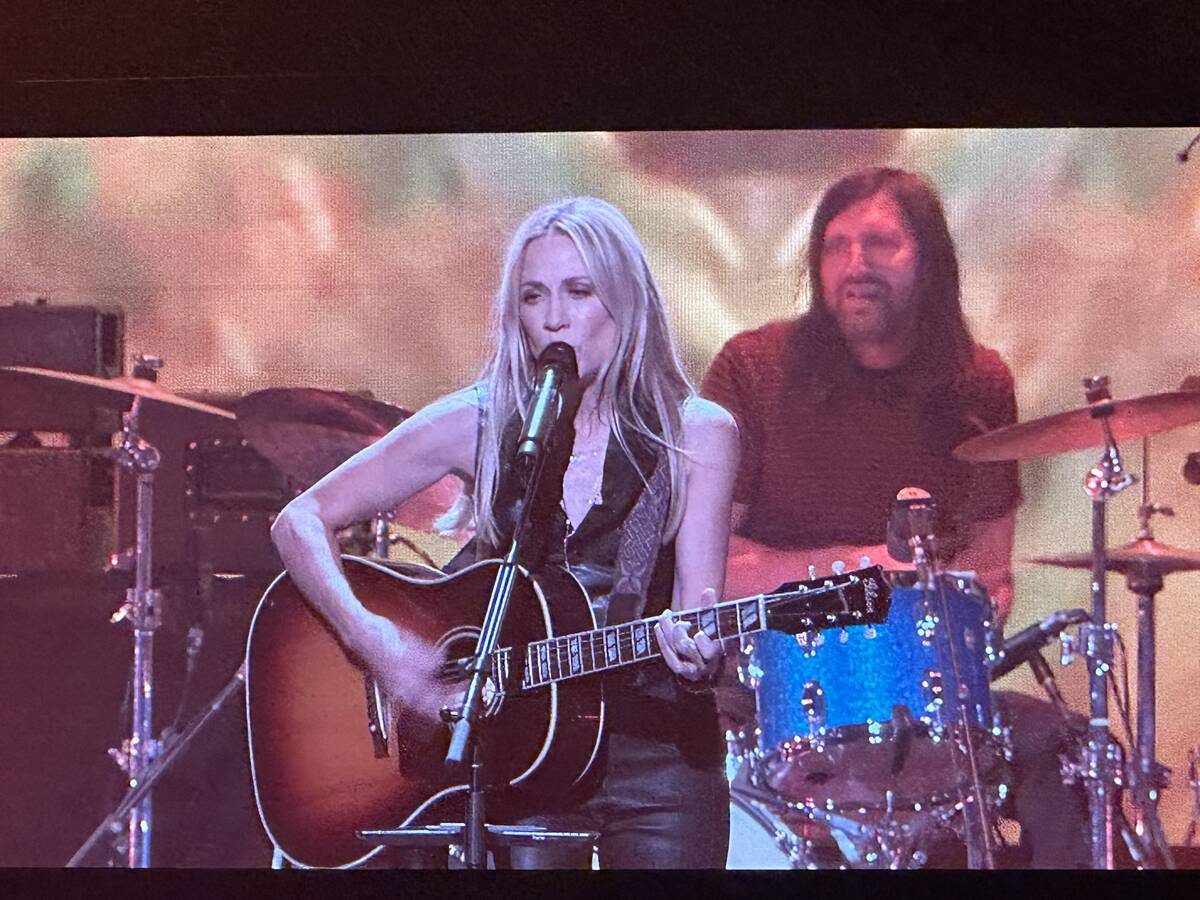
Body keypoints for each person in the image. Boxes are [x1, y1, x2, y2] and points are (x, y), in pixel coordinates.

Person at [270, 196, 739, 869]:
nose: (554, 317)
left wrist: (699, 649)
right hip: (518, 757)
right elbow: (300, 521)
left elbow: (700, 599)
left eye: (579, 291)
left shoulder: (697, 433)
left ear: (626, 300)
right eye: (533, 296)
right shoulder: (481, 421)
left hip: (660, 760)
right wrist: (371, 639)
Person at [700, 167, 1091, 868]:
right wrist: (864, 572)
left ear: (930, 261)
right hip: (764, 707)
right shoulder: (753, 370)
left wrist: (958, 607)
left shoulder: (979, 382)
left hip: (924, 705)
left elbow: (990, 577)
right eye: (836, 245)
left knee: (1077, 755)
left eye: (880, 244)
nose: (856, 266)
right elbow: (710, 572)